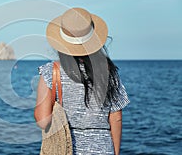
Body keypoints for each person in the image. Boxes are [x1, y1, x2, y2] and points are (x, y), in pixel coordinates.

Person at [34, 8, 130, 155]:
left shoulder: (50, 72)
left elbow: (43, 121)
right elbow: (116, 117)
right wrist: (115, 152)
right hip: (103, 149)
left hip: (66, 148)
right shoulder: (109, 72)